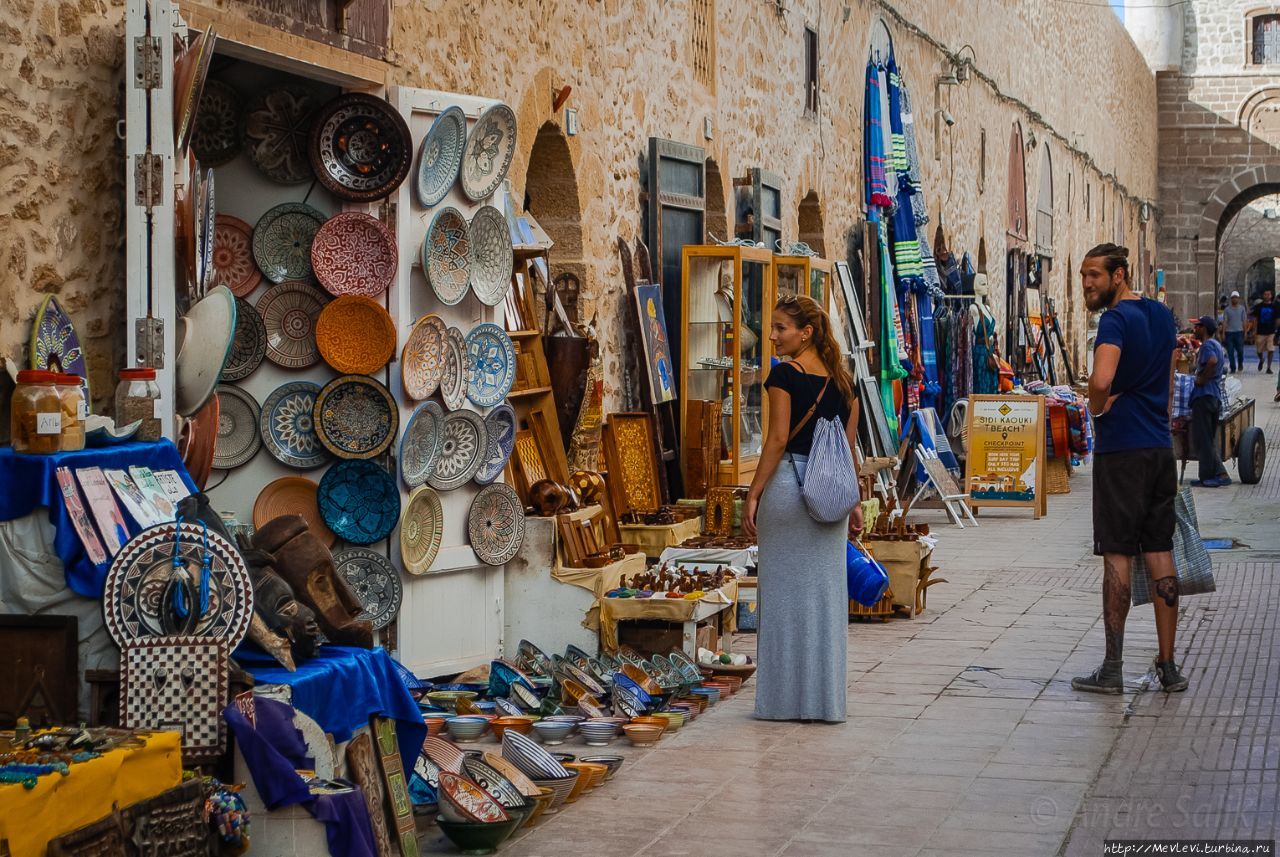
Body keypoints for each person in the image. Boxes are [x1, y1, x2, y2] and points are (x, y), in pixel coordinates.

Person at [1072, 243, 1188, 694]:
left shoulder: (1114, 321)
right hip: (1159, 449)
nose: (1087, 283)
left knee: (1117, 551)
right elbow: (1169, 374)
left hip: (1122, 450)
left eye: (1095, 276)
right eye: (1083, 275)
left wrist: (1097, 406)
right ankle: (1168, 663)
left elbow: (1101, 381)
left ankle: (1113, 667)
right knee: (1160, 548)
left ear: (1119, 275)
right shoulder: (1162, 315)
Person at [744, 294, 862, 722]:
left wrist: (754, 492)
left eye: (780, 328)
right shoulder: (844, 382)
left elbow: (776, 441)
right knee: (825, 601)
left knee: (781, 600)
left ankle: (780, 703)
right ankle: (824, 703)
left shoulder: (785, 377)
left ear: (806, 332)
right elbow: (848, 450)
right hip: (830, 495)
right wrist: (855, 505)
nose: (772, 336)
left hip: (791, 490)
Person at [1190, 316, 1230, 488]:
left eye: (1197, 326)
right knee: (1206, 437)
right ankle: (1209, 475)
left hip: (1205, 396)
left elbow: (1212, 361)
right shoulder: (1216, 345)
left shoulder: (1207, 346)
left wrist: (1201, 380)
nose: (1194, 329)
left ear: (1204, 328)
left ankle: (1209, 477)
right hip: (1213, 396)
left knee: (1203, 438)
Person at [1250, 289, 1278, 373]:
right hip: (1260, 331)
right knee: (1259, 350)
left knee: (1271, 349)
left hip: (1271, 332)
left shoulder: (1274, 306)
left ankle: (1268, 367)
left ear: (1271, 295)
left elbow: (1277, 319)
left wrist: (1276, 330)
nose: (1267, 296)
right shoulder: (1259, 306)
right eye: (1265, 294)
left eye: (1268, 294)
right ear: (1263, 295)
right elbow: (1255, 319)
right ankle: (1261, 359)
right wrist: (1254, 331)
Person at [1223, 290, 1247, 374]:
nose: (1234, 299)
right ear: (1231, 299)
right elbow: (1225, 321)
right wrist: (1223, 332)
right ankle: (1232, 367)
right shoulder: (1227, 310)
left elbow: (1244, 320)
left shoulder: (1242, 309)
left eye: (1236, 298)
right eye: (1233, 298)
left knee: (1240, 350)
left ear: (1238, 299)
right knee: (1230, 351)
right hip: (1229, 332)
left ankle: (1240, 363)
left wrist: (1245, 332)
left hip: (1239, 332)